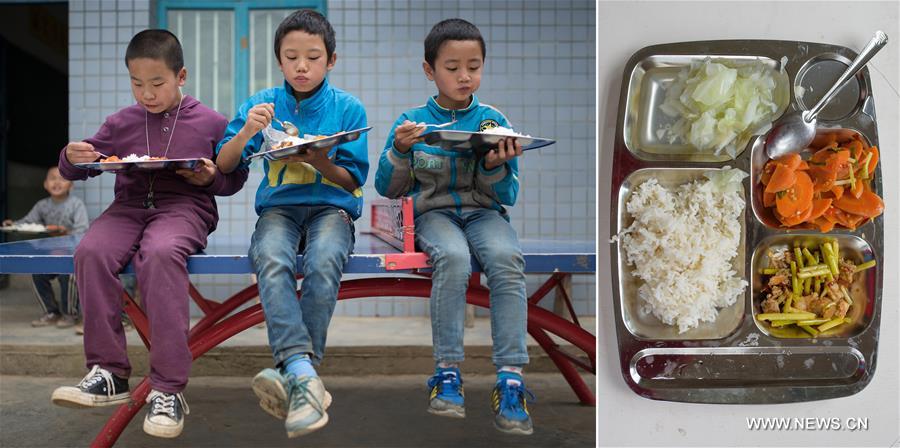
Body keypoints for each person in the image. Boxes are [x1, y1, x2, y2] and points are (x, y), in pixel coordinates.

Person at [49, 29, 248, 439]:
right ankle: (108, 372)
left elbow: (234, 177)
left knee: (159, 255)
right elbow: (80, 166)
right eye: (137, 84)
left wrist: (210, 177)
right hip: (127, 208)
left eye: (157, 83)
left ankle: (168, 388)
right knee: (91, 251)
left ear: (182, 76)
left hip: (185, 209)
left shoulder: (211, 122)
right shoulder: (120, 122)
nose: (147, 94)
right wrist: (70, 157)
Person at [374, 18, 534, 435]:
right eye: (452, 67)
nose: (465, 76)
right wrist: (399, 149)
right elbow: (388, 187)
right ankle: (447, 374)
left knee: (506, 258)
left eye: (474, 66)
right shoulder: (411, 122)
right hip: (435, 215)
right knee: (454, 258)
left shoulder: (493, 119)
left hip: (484, 213)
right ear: (429, 70)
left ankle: (511, 379)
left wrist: (496, 163)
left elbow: (507, 197)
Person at [215, 9, 368, 439]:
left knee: (323, 259)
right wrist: (246, 131)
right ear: (279, 61)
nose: (302, 66)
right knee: (269, 256)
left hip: (332, 209)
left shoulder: (349, 108)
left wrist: (319, 158)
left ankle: (296, 371)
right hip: (279, 208)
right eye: (292, 57)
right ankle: (305, 376)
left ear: (331, 61)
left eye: (313, 57)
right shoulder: (260, 105)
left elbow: (354, 178)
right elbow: (223, 164)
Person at [3, 167, 88, 328]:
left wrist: (65, 232)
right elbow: (29, 222)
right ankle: (51, 312)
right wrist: (14, 224)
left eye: (62, 179)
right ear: (45, 184)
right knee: (37, 272)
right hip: (50, 253)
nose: (57, 182)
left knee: (69, 277)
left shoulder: (76, 205)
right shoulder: (42, 205)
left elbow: (82, 231)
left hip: (70, 255)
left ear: (71, 185)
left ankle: (70, 314)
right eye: (52, 179)